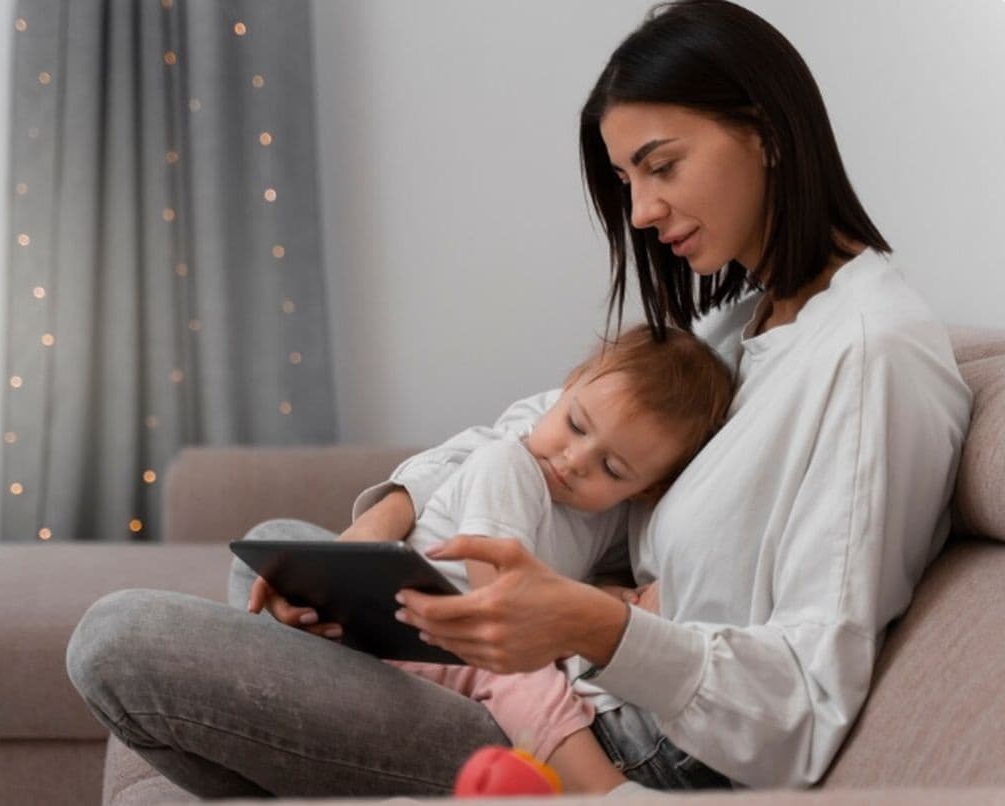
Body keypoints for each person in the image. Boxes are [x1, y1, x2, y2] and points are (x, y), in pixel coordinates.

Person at [65, 0, 972, 796]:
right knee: (288, 564)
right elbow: (524, 434)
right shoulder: (737, 328)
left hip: (626, 748)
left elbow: (808, 705)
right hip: (569, 672)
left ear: (767, 132)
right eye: (628, 183)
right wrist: (380, 522)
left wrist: (596, 622)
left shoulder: (871, 358)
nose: (644, 214)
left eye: (661, 166)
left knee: (120, 641)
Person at [245, 325, 732, 794]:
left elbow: (588, 583)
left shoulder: (607, 516)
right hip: (420, 621)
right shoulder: (509, 465)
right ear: (563, 390)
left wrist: (619, 598)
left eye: (611, 467)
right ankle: (605, 791)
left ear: (645, 490)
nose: (574, 460)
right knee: (523, 672)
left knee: (523, 665)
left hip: (452, 640)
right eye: (575, 424)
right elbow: (497, 603)